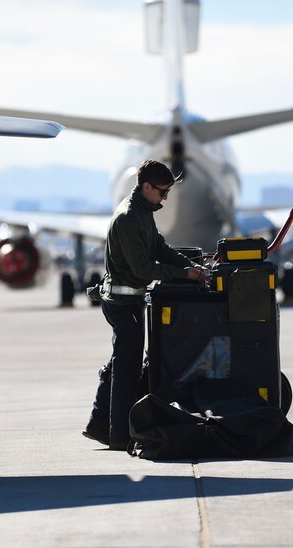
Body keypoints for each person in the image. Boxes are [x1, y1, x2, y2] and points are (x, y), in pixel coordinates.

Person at [84, 159, 204, 450]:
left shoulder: (142, 211)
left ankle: (100, 425)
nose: (165, 198)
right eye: (162, 192)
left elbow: (159, 247)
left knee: (119, 364)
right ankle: (119, 436)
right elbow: (143, 269)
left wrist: (191, 264)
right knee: (127, 371)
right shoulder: (128, 217)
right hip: (123, 303)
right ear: (146, 186)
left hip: (129, 300)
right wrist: (183, 273)